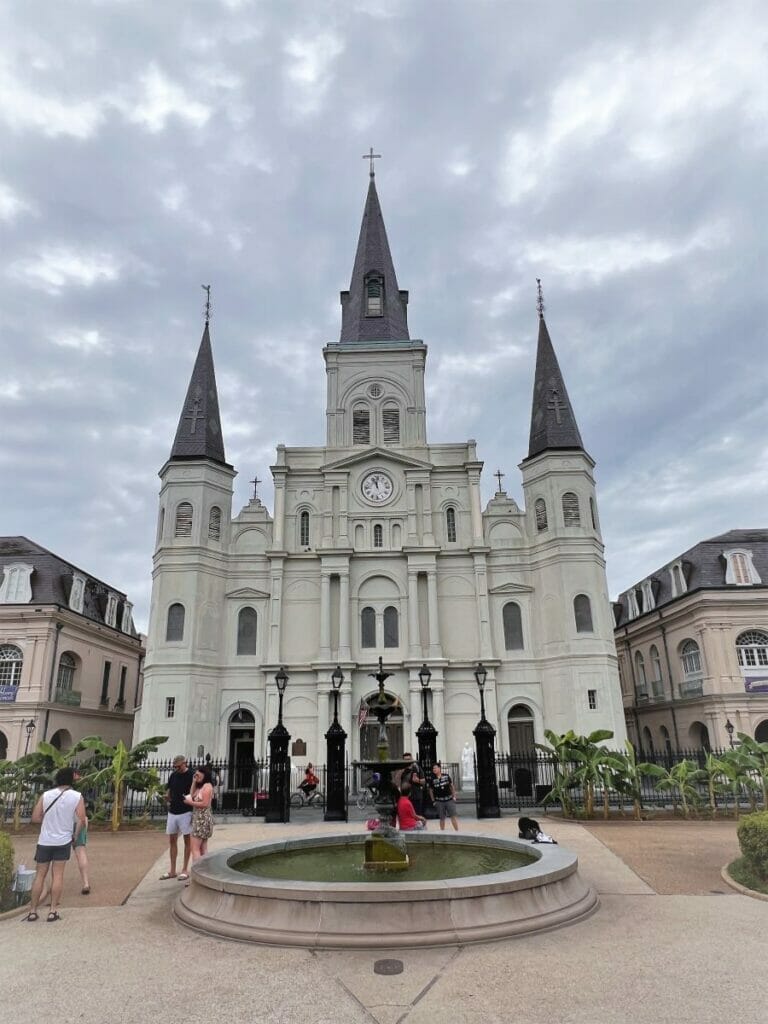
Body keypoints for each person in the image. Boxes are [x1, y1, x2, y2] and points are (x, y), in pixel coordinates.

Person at [24, 767, 86, 922]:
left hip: (45, 840)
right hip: (63, 840)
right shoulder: (77, 796)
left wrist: (48, 820)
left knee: (40, 875)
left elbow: (35, 818)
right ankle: (52, 911)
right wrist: (75, 835)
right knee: (58, 875)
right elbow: (81, 820)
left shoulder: (46, 795)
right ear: (71, 779)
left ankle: (33, 911)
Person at [160, 755, 194, 881]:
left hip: (186, 810)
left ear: (185, 763)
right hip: (173, 810)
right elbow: (169, 790)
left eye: (179, 766)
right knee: (172, 840)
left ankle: (185, 869)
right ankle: (172, 870)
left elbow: (194, 792)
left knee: (187, 840)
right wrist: (167, 798)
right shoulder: (173, 775)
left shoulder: (191, 775)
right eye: (175, 766)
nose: (177, 768)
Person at [183, 765, 215, 878]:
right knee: (202, 847)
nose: (197, 776)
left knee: (195, 848)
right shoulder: (200, 787)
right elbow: (191, 795)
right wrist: (194, 781)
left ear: (205, 774)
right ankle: (205, 873)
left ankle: (197, 875)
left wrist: (190, 804)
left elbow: (204, 804)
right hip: (199, 819)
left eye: (198, 775)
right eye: (196, 775)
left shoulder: (207, 786)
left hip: (202, 819)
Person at [71, 769, 91, 894]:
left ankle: (85, 883)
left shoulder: (59, 790)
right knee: (81, 852)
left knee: (56, 859)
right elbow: (83, 815)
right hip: (78, 821)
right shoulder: (81, 790)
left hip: (66, 824)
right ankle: (85, 883)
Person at [429, 762, 459, 831]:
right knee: (442, 818)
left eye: (435, 768)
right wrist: (433, 801)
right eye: (433, 768)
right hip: (439, 801)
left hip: (449, 800)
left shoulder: (446, 776)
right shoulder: (432, 779)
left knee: (453, 816)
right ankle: (442, 832)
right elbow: (430, 790)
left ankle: (457, 831)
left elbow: (451, 786)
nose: (434, 769)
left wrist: (454, 796)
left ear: (439, 768)